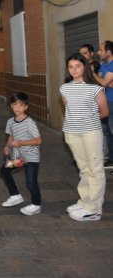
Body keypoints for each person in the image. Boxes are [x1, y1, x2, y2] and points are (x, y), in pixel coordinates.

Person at [60, 53, 109, 222]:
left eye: (78, 66)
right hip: (72, 133)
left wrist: (87, 120)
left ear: (85, 67)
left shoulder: (95, 88)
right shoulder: (64, 88)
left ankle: (94, 209)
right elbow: (69, 110)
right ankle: (85, 201)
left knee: (95, 169)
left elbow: (104, 112)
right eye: (71, 67)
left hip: (90, 133)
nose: (74, 70)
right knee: (84, 169)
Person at [0, 92, 42, 216]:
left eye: (21, 105)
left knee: (31, 182)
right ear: (11, 106)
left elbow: (38, 140)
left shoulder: (30, 123)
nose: (17, 108)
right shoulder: (10, 122)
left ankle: (36, 205)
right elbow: (11, 136)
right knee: (4, 171)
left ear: (26, 107)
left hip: (31, 158)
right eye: (15, 104)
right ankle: (15, 195)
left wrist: (21, 143)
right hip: (20, 158)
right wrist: (7, 146)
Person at [96, 41, 113, 169]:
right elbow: (101, 82)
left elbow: (104, 82)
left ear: (108, 52)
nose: (98, 52)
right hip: (105, 102)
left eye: (100, 50)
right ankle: (111, 159)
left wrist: (93, 74)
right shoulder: (104, 65)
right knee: (107, 132)